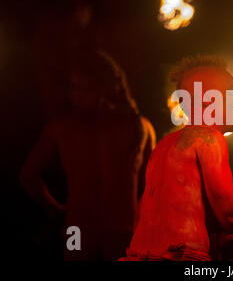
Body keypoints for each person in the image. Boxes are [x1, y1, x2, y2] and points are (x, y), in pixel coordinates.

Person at [121, 55, 233, 261]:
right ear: (208, 99)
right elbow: (231, 214)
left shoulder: (164, 146)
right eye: (232, 92)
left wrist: (217, 241)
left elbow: (172, 217)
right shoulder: (207, 136)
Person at [19, 50, 156, 260]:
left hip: (96, 230)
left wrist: (56, 210)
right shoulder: (140, 127)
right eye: (72, 86)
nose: (73, 94)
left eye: (82, 87)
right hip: (114, 231)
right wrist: (56, 209)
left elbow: (28, 175)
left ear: (104, 88)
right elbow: (154, 186)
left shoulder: (63, 128)